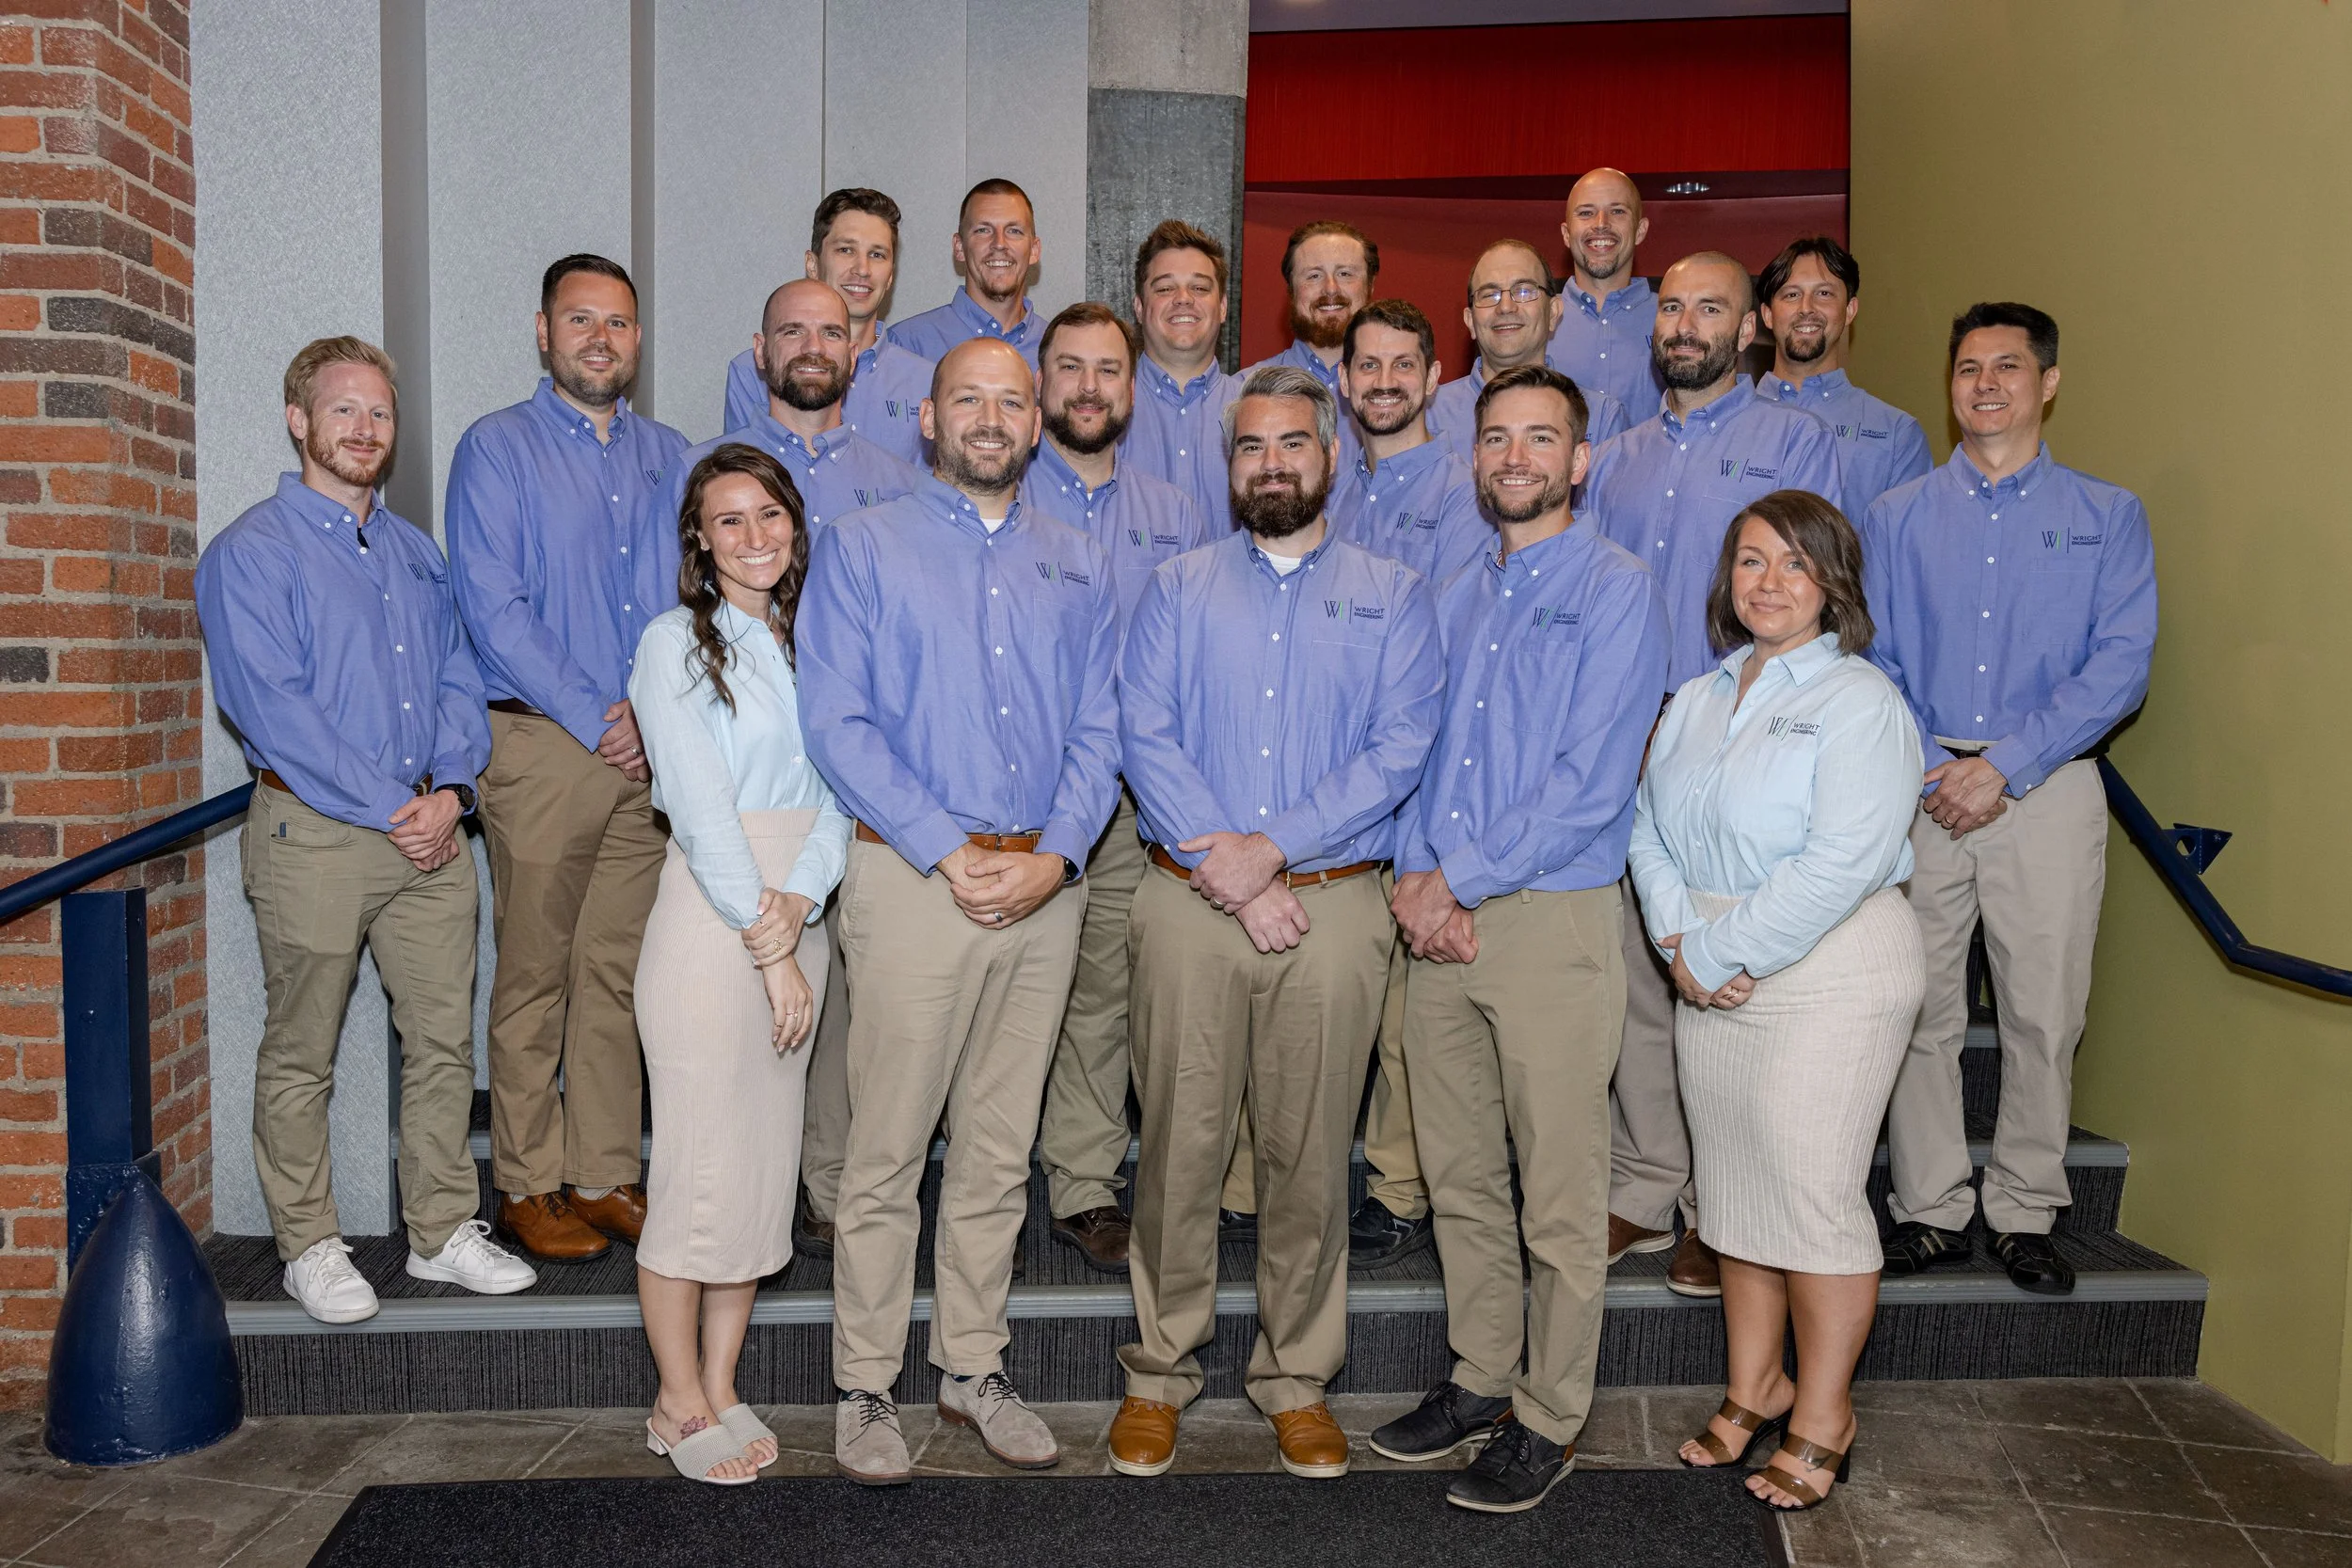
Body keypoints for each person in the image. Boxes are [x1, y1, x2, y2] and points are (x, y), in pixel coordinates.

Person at [1108, 366, 1442, 1483]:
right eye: (1250, 446)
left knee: (1308, 1154)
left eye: (1292, 443)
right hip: (1189, 896)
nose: (1271, 463)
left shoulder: (1394, 593)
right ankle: (1160, 1368)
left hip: (1333, 906)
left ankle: (1297, 1377)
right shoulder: (1177, 586)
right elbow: (1144, 730)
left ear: (1331, 455)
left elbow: (1399, 747)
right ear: (1229, 463)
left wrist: (1273, 849)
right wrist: (1235, 866)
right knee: (1178, 1146)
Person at [799, 338, 1120, 1483]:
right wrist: (945, 847)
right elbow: (835, 720)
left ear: (1037, 421)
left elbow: (1102, 724)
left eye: (1011, 400)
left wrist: (1060, 853)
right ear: (928, 418)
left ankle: (972, 1365)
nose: (991, 416)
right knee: (886, 1149)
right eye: (967, 398)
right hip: (912, 875)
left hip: (1043, 885)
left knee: (996, 1149)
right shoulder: (862, 545)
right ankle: (864, 1382)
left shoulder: (1081, 558)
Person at [1372, 365, 1667, 1513]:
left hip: (1549, 920)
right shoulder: (1452, 592)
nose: (1514, 456)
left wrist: (1455, 880)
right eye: (1496, 437)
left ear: (1578, 460)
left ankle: (1549, 1415)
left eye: (1539, 438)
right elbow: (1415, 755)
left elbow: (1589, 782)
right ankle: (1481, 1375)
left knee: (1557, 1189)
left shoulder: (1616, 589)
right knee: (1458, 1175)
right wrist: (1418, 883)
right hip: (1440, 921)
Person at [199, 336, 535, 1324]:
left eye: (379, 412)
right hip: (318, 835)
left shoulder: (415, 552)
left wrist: (453, 790)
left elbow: (460, 678)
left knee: (442, 1042)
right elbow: (274, 708)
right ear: (298, 420)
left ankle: (439, 1229)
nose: (364, 428)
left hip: (432, 832)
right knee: (301, 1048)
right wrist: (398, 806)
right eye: (343, 409)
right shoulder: (251, 552)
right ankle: (307, 1242)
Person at [1633, 491, 1925, 1513]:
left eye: (1795, 564)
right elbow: (1646, 825)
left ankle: (1824, 1413)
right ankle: (1756, 1382)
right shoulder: (1696, 695)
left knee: (1810, 1195)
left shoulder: (1860, 700)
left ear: (1832, 583)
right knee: (1734, 1191)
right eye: (1751, 560)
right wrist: (1679, 940)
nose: (1769, 582)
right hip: (1708, 961)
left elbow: (1843, 860)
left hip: (1832, 966)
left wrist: (1718, 949)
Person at [1865, 303, 2157, 1297]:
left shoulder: (2107, 516)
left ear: (2048, 382)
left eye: (2006, 367)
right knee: (1918, 1008)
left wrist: (2007, 763)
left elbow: (2120, 664)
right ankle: (1930, 1206)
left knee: (2043, 1011)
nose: (1984, 384)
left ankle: (2025, 1208)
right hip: (1923, 786)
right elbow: (1874, 656)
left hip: (2049, 785)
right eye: (1967, 368)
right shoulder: (1896, 515)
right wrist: (1933, 768)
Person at [1587, 250, 1843, 1298]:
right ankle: (1648, 1183)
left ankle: (1720, 1209)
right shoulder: (1614, 456)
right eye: (1672, 306)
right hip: (1627, 737)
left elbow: (1812, 591)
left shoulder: (1795, 440)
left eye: (1710, 308)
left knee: (1728, 973)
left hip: (1741, 737)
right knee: (1643, 973)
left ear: (1748, 329)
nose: (1685, 323)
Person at [445, 255, 690, 1264]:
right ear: (543, 331)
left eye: (618, 322)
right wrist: (600, 715)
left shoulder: (673, 455)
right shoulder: (495, 448)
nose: (601, 338)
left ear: (638, 339)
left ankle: (602, 1171)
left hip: (649, 757)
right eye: (580, 319)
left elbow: (698, 592)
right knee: (535, 972)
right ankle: (527, 1182)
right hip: (545, 743)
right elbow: (494, 609)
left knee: (616, 973)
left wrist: (657, 718)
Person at [672, 277, 921, 1264]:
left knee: (847, 1011)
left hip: (855, 794)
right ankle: (753, 1226)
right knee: (728, 1071)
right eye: (793, 330)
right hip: (737, 835)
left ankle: (832, 1186)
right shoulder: (714, 470)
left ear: (858, 348)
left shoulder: (894, 475)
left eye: (832, 329)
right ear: (760, 347)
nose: (755, 536)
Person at [628, 445, 850, 1484]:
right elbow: (702, 809)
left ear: (795, 526)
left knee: (758, 1175)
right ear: (700, 541)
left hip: (797, 906)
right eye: (729, 520)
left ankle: (721, 1381)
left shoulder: (820, 640)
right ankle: (673, 1397)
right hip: (715, 922)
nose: (754, 536)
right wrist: (771, 946)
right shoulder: (672, 642)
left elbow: (840, 793)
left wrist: (801, 903)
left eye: (770, 514)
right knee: (696, 1176)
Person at [1019, 303, 1213, 1274]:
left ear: (1131, 389)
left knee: (1104, 989)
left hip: (1138, 797)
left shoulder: (1174, 512)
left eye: (1107, 370)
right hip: (1027, 790)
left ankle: (1084, 1182)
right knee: (1010, 990)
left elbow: (1198, 653)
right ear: (1040, 380)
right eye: (1070, 367)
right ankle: (985, 1187)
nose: (1089, 387)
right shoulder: (1002, 494)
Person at [1326, 296, 1484, 1269]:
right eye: (1367, 366)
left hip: (1420, 780)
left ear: (1433, 379)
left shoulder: (1467, 496)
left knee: (1404, 1014)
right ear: (1344, 381)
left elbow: (1452, 654)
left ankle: (1396, 1186)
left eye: (1401, 366)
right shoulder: (1329, 485)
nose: (1383, 381)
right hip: (1331, 788)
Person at [720, 188, 934, 465]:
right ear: (813, 264)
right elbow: (739, 476)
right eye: (846, 250)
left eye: (877, 254)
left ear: (891, 275)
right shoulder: (752, 372)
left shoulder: (927, 381)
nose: (862, 269)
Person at [1753, 236, 1931, 525]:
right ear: (1767, 314)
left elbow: (1908, 543)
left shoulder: (1897, 435)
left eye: (1824, 293)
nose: (1806, 308)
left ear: (1849, 310)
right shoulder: (1725, 420)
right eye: (1791, 295)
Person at [1428, 239, 1630, 466]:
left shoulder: (1601, 419)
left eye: (1524, 291)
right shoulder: (1426, 415)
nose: (1505, 307)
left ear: (1553, 313)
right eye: (1489, 294)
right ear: (1470, 321)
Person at [1124, 219, 1242, 531]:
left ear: (1223, 307)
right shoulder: (1103, 409)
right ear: (1139, 307)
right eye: (1165, 288)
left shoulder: (1253, 410)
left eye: (1200, 288)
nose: (1183, 298)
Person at [1247, 220, 1376, 469]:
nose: (1330, 288)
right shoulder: (1245, 392)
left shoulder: (1400, 395)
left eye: (1345, 274)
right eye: (1314, 276)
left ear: (1370, 285)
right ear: (1291, 291)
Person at [890, 178, 1045, 368]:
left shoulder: (1057, 350)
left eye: (1014, 231)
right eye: (983, 230)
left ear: (1034, 250)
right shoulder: (907, 346)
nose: (999, 244)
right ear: (959, 247)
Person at [1547, 168, 1664, 420]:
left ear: (1640, 230)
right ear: (1566, 234)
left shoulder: (1674, 319)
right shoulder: (1535, 320)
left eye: (1617, 211)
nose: (1601, 224)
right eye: (1586, 213)